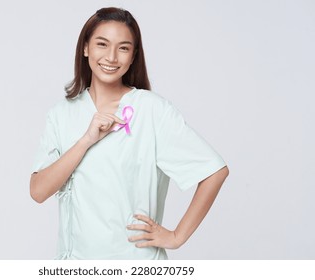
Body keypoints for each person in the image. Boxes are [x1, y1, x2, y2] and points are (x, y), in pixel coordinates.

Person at [30, 7, 229, 260]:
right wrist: (86, 141)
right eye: (102, 44)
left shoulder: (151, 110)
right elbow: (38, 191)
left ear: (134, 55)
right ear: (86, 48)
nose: (111, 57)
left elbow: (214, 170)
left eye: (123, 48)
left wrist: (177, 236)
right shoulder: (61, 113)